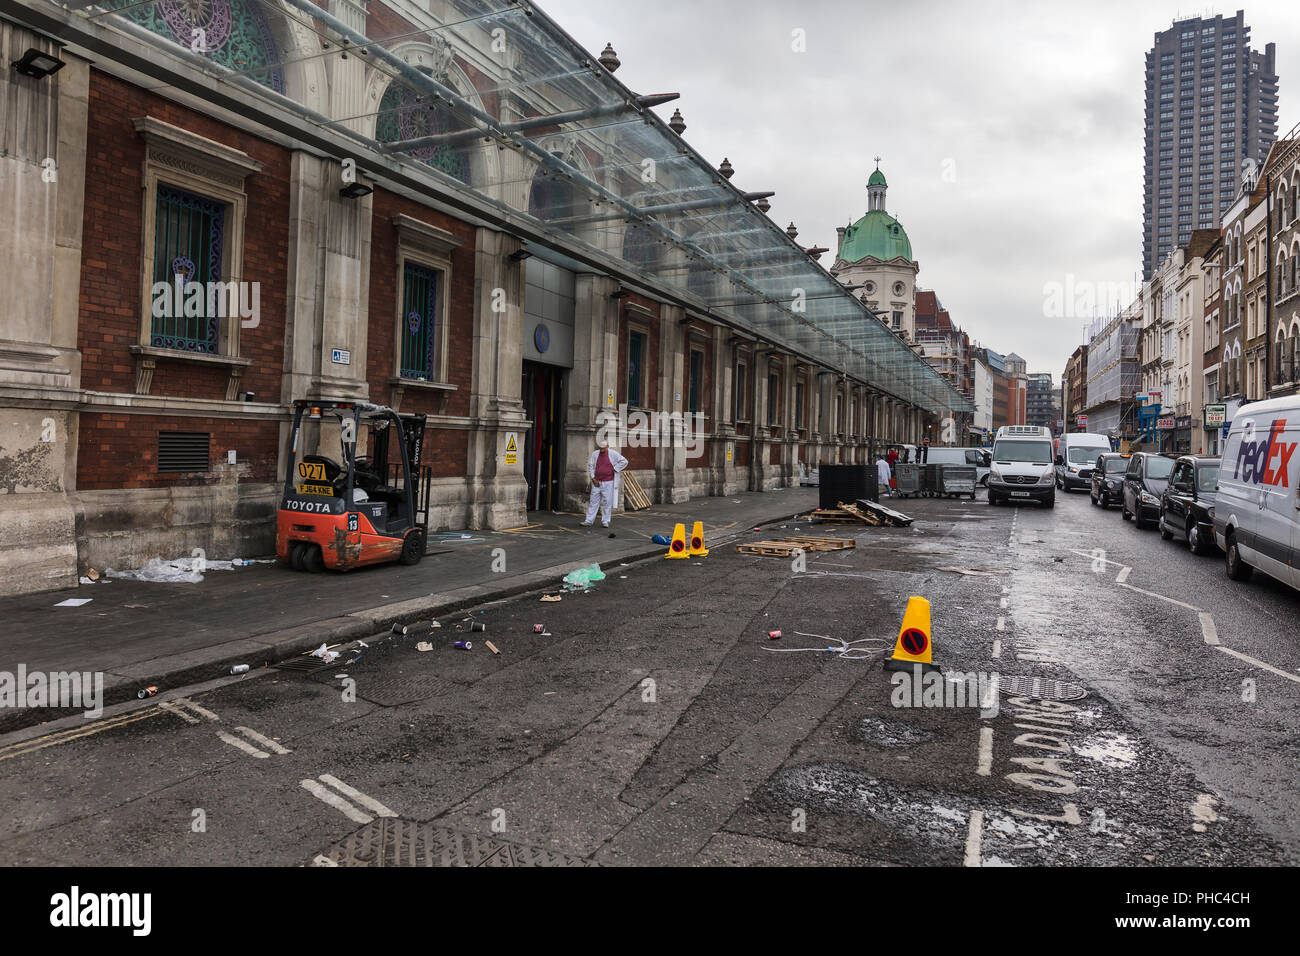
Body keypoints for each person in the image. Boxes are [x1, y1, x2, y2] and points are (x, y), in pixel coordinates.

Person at [583, 438, 627, 528]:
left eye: (603, 447)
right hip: (597, 481)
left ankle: (605, 521)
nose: (602, 449)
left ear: (607, 447)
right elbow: (591, 465)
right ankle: (589, 521)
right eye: (600, 447)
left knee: (607, 502)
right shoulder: (595, 454)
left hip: (608, 482)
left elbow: (624, 461)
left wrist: (615, 469)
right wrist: (593, 478)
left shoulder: (613, 453)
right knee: (593, 501)